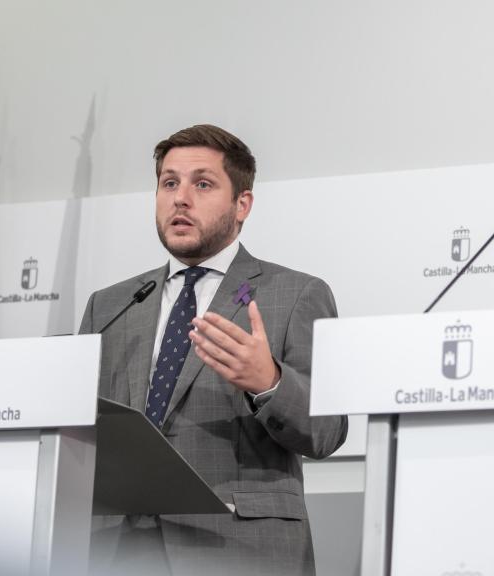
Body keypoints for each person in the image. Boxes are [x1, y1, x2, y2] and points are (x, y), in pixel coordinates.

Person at [79, 124, 347, 576]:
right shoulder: (110, 306)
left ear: (242, 204)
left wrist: (269, 383)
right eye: (169, 183)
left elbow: (328, 430)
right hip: (117, 551)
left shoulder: (295, 294)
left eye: (202, 184)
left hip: (237, 549)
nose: (180, 199)